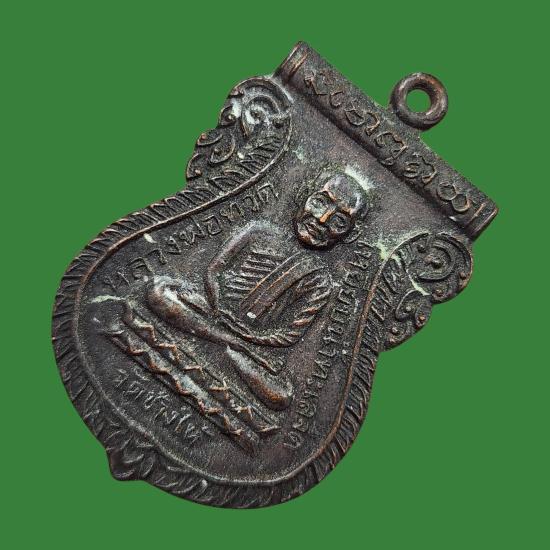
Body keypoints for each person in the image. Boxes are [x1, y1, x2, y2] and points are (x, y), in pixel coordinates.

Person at [147, 170, 367, 410]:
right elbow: (214, 271)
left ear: (350, 235)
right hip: (211, 311)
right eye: (320, 203)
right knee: (160, 293)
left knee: (281, 396)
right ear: (303, 195)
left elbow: (289, 334)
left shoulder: (320, 281)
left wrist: (246, 336)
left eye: (339, 222)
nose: (322, 220)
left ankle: (226, 344)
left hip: (248, 342)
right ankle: (228, 345)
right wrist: (218, 307)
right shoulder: (257, 231)